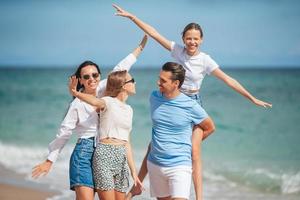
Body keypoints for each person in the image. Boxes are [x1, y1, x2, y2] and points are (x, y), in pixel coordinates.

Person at [113, 4, 273, 200]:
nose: (192, 42)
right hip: (172, 99)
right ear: (183, 38)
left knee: (194, 152)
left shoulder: (205, 60)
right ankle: (136, 187)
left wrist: (252, 97)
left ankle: (199, 197)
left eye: (196, 38)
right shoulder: (178, 51)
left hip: (192, 104)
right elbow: (154, 33)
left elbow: (227, 79)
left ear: (201, 40)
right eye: (188, 38)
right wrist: (132, 17)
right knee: (153, 145)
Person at [32, 35, 147, 200]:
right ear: (80, 80)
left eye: (95, 75)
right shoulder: (76, 104)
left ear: (100, 76)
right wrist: (50, 160)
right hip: (84, 155)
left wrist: (140, 48)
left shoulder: (103, 89)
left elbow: (122, 69)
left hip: (104, 152)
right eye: (86, 77)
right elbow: (64, 132)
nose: (92, 79)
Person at [141, 62, 215, 200]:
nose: (158, 82)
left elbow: (210, 127)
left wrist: (188, 144)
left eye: (163, 80)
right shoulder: (154, 97)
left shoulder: (190, 105)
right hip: (155, 164)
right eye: (159, 78)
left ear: (176, 83)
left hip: (180, 166)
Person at [69, 70, 143, 200]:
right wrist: (76, 93)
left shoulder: (129, 110)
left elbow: (127, 142)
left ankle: (131, 192)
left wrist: (134, 172)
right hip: (104, 156)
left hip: (122, 158)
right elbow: (93, 101)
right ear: (124, 85)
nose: (134, 83)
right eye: (132, 81)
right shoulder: (107, 101)